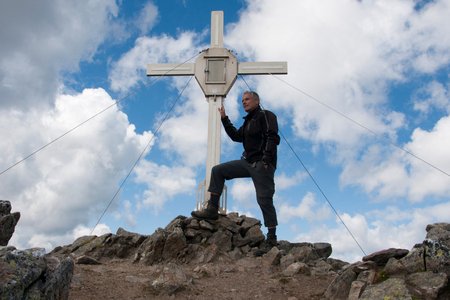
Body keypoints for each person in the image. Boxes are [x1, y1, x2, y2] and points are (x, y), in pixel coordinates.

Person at [191, 90, 280, 249]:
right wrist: (225, 119)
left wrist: (266, 160)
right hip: (247, 162)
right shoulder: (248, 122)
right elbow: (236, 136)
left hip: (261, 164)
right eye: (242, 100)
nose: (244, 102)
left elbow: (272, 136)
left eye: (247, 99)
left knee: (264, 199)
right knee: (218, 171)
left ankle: (271, 237)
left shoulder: (266, 115)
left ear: (256, 101)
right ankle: (212, 209)